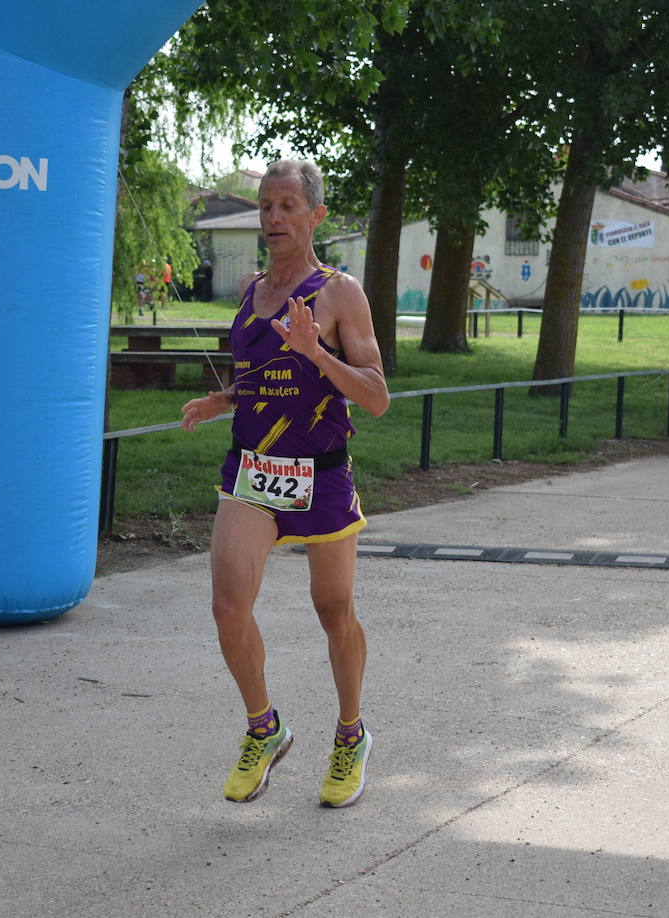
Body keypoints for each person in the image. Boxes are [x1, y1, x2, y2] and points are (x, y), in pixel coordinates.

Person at [180, 159, 389, 807]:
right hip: (253, 469)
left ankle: (351, 735)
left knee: (333, 611)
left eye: (288, 205)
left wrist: (318, 354)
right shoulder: (250, 290)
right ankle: (263, 728)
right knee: (227, 605)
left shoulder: (340, 293)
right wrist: (225, 400)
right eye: (266, 206)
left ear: (316, 217)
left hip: (320, 473)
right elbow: (266, 376)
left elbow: (377, 396)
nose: (273, 217)